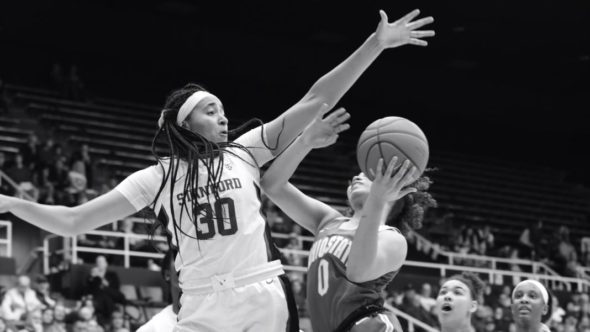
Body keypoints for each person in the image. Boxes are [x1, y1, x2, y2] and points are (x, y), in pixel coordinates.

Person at [0, 8, 434, 332]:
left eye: (224, 110)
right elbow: (74, 221)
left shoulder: (244, 152)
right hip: (201, 303)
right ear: (184, 123)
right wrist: (9, 202)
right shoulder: (157, 178)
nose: (224, 118)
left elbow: (316, 98)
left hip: (260, 294)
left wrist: (374, 45)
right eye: (212, 111)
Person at [261, 108, 436, 330]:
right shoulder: (328, 220)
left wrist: (377, 200)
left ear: (393, 187)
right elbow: (272, 185)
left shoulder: (392, 239)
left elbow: (357, 271)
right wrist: (305, 141)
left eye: (366, 173)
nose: (356, 176)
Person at [136, 250, 180, 332]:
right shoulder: (156, 327)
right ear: (167, 274)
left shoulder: (209, 315)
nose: (186, 267)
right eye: (179, 259)